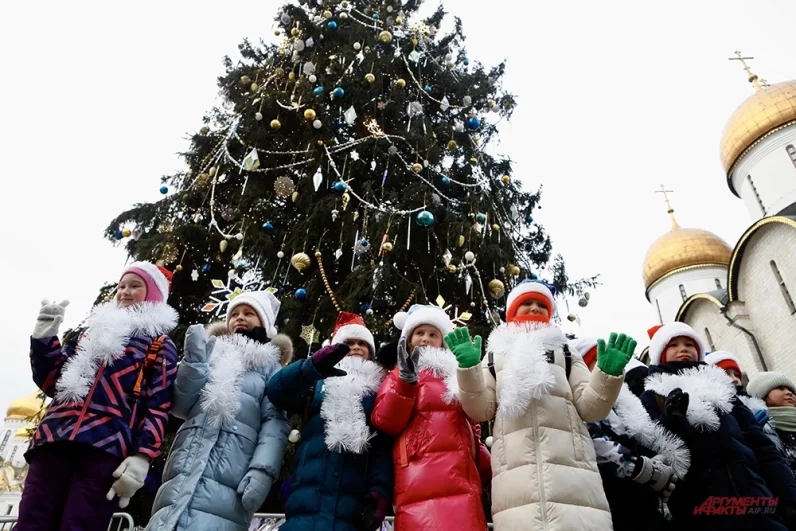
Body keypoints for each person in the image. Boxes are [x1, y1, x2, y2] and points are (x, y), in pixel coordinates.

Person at [450, 279, 632, 530]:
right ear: (512, 310)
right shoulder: (495, 354)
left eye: (541, 305)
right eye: (527, 303)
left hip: (573, 475)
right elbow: (481, 409)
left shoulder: (565, 352)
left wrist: (606, 375)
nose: (535, 308)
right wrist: (469, 369)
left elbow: (591, 408)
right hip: (515, 479)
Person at [18, 261, 179, 531]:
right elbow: (52, 381)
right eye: (121, 286)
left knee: (79, 524)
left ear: (152, 293)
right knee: (31, 521)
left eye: (135, 286)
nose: (125, 291)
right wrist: (45, 337)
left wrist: (142, 456)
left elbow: (158, 406)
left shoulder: (159, 344)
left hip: (106, 448)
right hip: (54, 437)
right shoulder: (86, 335)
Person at [147, 290, 292, 531]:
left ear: (265, 323)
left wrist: (262, 471)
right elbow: (182, 406)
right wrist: (193, 364)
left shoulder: (270, 367)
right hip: (187, 459)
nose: (239, 318)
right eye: (234, 314)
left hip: (232, 466)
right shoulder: (211, 353)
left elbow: (274, 423)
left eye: (248, 313)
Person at [641, 322, 796, 530]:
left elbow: (763, 447)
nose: (683, 349)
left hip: (756, 498)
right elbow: (647, 447)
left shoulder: (722, 389)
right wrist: (670, 421)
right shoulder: (653, 394)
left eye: (689, 343)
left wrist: (788, 496)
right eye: (673, 345)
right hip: (702, 507)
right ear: (660, 353)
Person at [267, 312, 392, 531]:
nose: (355, 347)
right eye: (348, 343)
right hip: (305, 500)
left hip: (351, 507)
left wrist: (379, 491)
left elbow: (381, 447)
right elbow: (276, 390)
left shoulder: (378, 392)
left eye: (362, 343)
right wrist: (310, 367)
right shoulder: (315, 384)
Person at [371, 305, 491, 531]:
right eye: (419, 333)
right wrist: (405, 384)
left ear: (443, 341)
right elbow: (385, 421)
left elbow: (473, 425)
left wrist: (488, 470)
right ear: (408, 340)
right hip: (416, 475)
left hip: (461, 476)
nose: (425, 339)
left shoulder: (455, 376)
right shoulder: (396, 376)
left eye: (433, 334)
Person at [586, 355, 686, 531]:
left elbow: (645, 442)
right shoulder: (586, 406)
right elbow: (596, 445)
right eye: (597, 364)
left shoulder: (627, 404)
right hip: (614, 507)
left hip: (649, 504)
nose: (609, 368)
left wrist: (657, 465)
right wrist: (644, 469)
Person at [748, 372, 796, 477]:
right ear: (762, 395)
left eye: (791, 390)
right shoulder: (761, 427)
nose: (789, 393)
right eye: (780, 388)